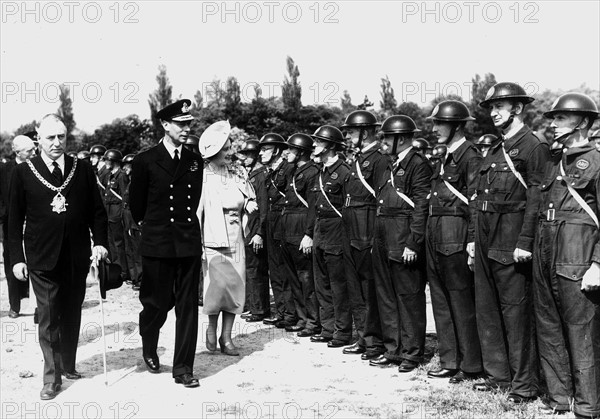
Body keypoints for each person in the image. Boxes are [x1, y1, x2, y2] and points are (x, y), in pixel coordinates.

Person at [7, 114, 108, 400]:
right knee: (49, 314)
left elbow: (97, 213)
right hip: (41, 257)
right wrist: (17, 258)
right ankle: (52, 378)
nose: (56, 143)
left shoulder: (83, 168)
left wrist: (100, 243)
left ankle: (68, 364)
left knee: (72, 310)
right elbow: (13, 221)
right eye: (50, 137)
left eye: (61, 137)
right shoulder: (24, 172)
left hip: (76, 255)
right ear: (39, 138)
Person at [472, 82, 549, 402]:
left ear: (517, 108)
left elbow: (537, 198)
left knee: (516, 315)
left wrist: (526, 240)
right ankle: (498, 376)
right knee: (488, 309)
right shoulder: (496, 146)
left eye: (500, 107)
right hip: (487, 234)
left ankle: (524, 385)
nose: (494, 113)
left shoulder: (533, 146)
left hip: (512, 237)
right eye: (491, 108)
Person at [533, 92, 600, 418]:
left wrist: (598, 263)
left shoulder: (597, 162)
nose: (553, 123)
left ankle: (587, 407)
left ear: (583, 121)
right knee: (548, 328)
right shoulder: (552, 160)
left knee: (580, 331)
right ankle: (560, 399)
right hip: (546, 249)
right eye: (553, 117)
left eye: (561, 117)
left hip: (577, 252)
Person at [128, 99, 203, 388]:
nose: (187, 129)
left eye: (189, 124)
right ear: (165, 124)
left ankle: (183, 368)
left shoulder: (195, 160)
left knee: (187, 307)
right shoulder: (145, 160)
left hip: (187, 242)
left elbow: (192, 200)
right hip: (158, 242)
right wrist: (156, 229)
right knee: (157, 303)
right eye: (181, 124)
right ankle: (149, 341)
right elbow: (137, 206)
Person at [424, 101, 483, 383]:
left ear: (457, 126)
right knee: (441, 300)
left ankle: (470, 364)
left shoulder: (470, 156)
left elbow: (474, 201)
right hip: (436, 233)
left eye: (440, 124)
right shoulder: (443, 156)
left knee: (461, 302)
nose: (434, 129)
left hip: (456, 233)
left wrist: (472, 239)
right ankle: (449, 359)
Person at [370, 115, 431, 373]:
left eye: (387, 138)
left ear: (402, 138)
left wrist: (414, 242)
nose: (383, 142)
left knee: (408, 296)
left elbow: (421, 206)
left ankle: (412, 352)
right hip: (384, 233)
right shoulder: (389, 164)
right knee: (386, 295)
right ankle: (392, 349)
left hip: (403, 233)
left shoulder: (418, 164)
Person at [197, 120, 257, 356]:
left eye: (230, 148)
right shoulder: (203, 178)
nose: (230, 153)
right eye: (226, 149)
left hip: (236, 237)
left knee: (234, 287)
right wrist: (199, 244)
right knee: (215, 288)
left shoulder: (237, 174)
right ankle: (211, 330)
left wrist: (250, 204)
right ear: (213, 152)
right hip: (212, 239)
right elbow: (197, 213)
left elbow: (249, 196)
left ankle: (227, 337)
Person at [340, 110, 388, 355]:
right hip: (352, 227)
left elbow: (381, 199)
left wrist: (375, 236)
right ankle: (363, 336)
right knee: (356, 287)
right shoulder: (357, 159)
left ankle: (375, 341)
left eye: (351, 132)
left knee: (370, 287)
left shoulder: (380, 159)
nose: (347, 136)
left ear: (365, 132)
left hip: (368, 227)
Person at [309, 125, 351, 345]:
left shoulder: (345, 172)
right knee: (322, 283)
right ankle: (327, 328)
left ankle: (342, 331)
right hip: (320, 230)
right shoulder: (320, 172)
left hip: (336, 231)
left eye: (319, 141)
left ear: (332, 146)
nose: (314, 145)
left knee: (338, 285)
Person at [280, 133, 320, 335]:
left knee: (306, 278)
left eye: (292, 149)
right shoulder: (292, 171)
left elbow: (313, 206)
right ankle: (302, 318)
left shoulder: (312, 172)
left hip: (301, 227)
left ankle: (313, 321)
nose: (287, 152)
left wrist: (309, 233)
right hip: (288, 228)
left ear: (302, 152)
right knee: (294, 278)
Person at [257, 134, 296, 328]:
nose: (261, 152)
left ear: (277, 151)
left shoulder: (289, 169)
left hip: (285, 222)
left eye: (265, 149)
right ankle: (281, 312)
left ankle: (290, 314)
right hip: (272, 223)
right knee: (275, 271)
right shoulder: (269, 173)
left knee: (285, 270)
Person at [0, 135, 36, 318]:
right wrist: (6, 215)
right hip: (10, 227)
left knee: (38, 263)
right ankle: (15, 305)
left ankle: (39, 305)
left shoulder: (37, 167)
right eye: (29, 150)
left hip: (34, 224)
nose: (33, 153)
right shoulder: (4, 170)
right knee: (12, 263)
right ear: (17, 152)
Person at [237, 140, 270, 323]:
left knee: (256, 269)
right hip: (249, 226)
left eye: (248, 155)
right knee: (250, 268)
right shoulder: (251, 175)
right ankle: (253, 305)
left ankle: (259, 309)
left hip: (256, 227)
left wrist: (259, 232)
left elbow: (264, 208)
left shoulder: (260, 176)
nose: (244, 158)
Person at [101, 149, 130, 284]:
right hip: (109, 211)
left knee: (119, 243)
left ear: (114, 161)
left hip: (117, 212)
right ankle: (116, 269)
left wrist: (122, 214)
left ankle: (123, 271)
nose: (105, 162)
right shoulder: (110, 175)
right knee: (112, 243)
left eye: (107, 160)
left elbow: (124, 196)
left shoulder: (121, 176)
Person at [121, 153, 142, 291]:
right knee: (131, 249)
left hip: (134, 220)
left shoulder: (137, 182)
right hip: (128, 217)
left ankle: (140, 279)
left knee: (138, 251)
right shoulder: (131, 181)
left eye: (127, 166)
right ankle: (135, 277)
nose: (125, 168)